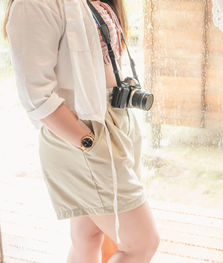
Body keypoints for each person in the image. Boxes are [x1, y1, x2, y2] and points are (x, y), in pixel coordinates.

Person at [3, 0, 160, 262]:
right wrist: (86, 140)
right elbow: (36, 95)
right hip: (83, 133)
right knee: (142, 242)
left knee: (87, 237)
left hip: (112, 123)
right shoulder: (32, 4)